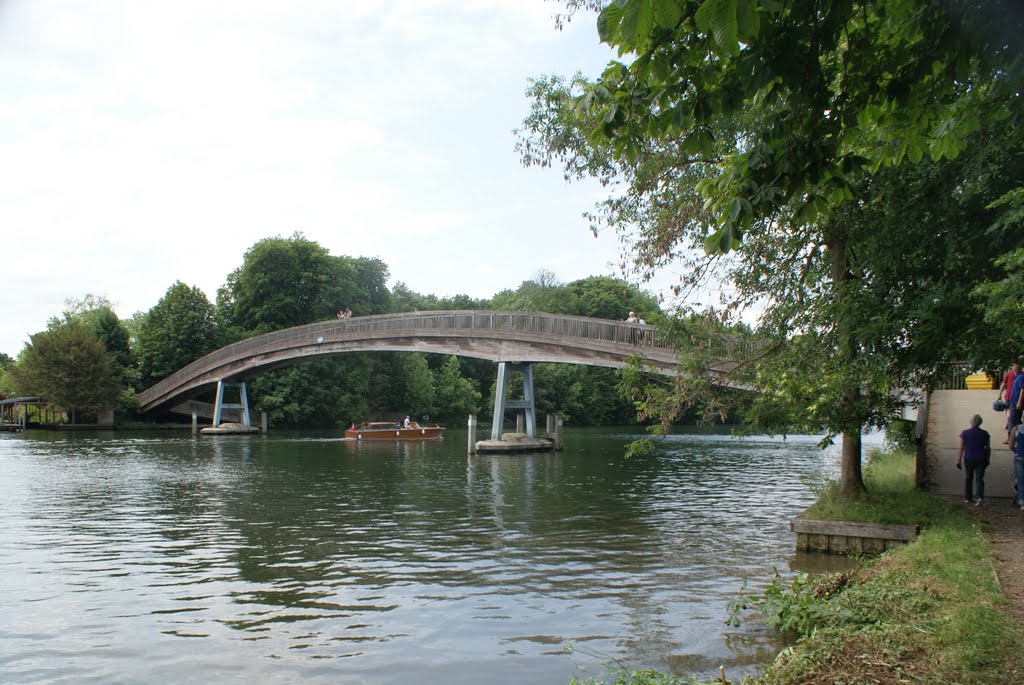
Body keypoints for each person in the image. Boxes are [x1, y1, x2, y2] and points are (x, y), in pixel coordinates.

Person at [957, 414, 991, 506]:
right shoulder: (985, 433)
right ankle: (979, 497)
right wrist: (988, 458)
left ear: (970, 422)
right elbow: (988, 448)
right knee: (979, 478)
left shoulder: (965, 433)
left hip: (969, 458)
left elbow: (961, 448)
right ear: (980, 422)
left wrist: (958, 459)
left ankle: (968, 497)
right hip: (981, 458)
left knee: (969, 477)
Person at [999, 362, 1021, 443]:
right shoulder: (1020, 375)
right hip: (1016, 399)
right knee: (1016, 418)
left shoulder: (1011, 374)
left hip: (1011, 398)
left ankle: (1010, 437)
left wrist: (999, 394)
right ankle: (1017, 434)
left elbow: (1003, 384)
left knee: (1011, 417)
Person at [1012, 422, 1024, 511]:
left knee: (1020, 479)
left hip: (1019, 456)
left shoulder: (1016, 429)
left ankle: (1022, 502)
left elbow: (1011, 445)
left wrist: (1015, 451)